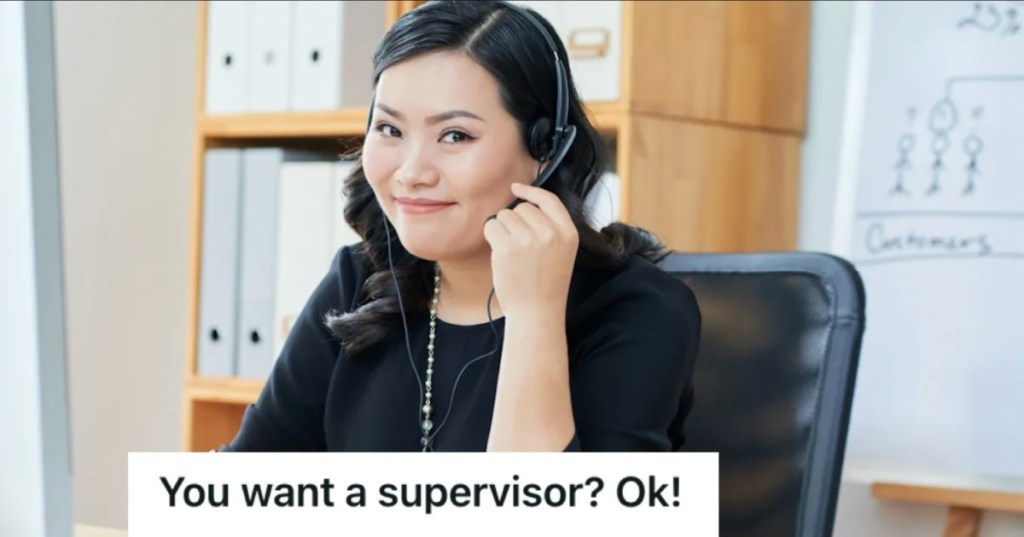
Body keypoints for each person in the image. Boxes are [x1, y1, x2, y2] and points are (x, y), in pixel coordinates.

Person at [220, 0, 700, 453]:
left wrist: (534, 316)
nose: (411, 171)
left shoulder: (637, 311)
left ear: (545, 151)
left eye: (455, 135)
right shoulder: (358, 282)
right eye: (390, 129)